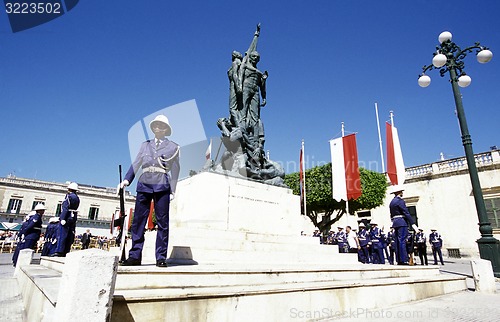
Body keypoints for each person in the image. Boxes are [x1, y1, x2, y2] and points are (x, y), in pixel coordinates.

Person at [119, 114, 180, 268]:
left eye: (160, 125)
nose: (157, 127)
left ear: (166, 129)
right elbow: (136, 163)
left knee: (162, 223)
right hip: (145, 183)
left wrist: (173, 189)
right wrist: (126, 180)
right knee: (138, 221)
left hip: (161, 184)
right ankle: (135, 255)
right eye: (155, 125)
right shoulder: (144, 145)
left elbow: (175, 169)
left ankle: (160, 257)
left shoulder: (173, 147)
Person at [389, 185, 418, 265]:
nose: (402, 193)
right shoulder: (400, 201)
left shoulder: (392, 202)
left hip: (395, 222)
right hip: (402, 222)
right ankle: (404, 259)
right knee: (402, 241)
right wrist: (413, 224)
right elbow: (406, 213)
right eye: (401, 191)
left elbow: (391, 215)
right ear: (399, 192)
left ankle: (399, 259)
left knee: (398, 241)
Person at [52, 182, 80, 257]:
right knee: (70, 234)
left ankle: (59, 251)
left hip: (67, 216)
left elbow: (65, 207)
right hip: (73, 217)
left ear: (69, 189)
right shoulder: (77, 198)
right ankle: (66, 250)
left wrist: (63, 218)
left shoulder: (69, 196)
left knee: (62, 234)